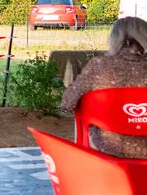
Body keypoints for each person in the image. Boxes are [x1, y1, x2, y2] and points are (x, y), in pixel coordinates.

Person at [61, 16, 147, 158]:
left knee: (81, 112)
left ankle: (84, 162)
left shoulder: (99, 66)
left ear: (114, 39)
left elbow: (67, 103)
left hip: (110, 146)